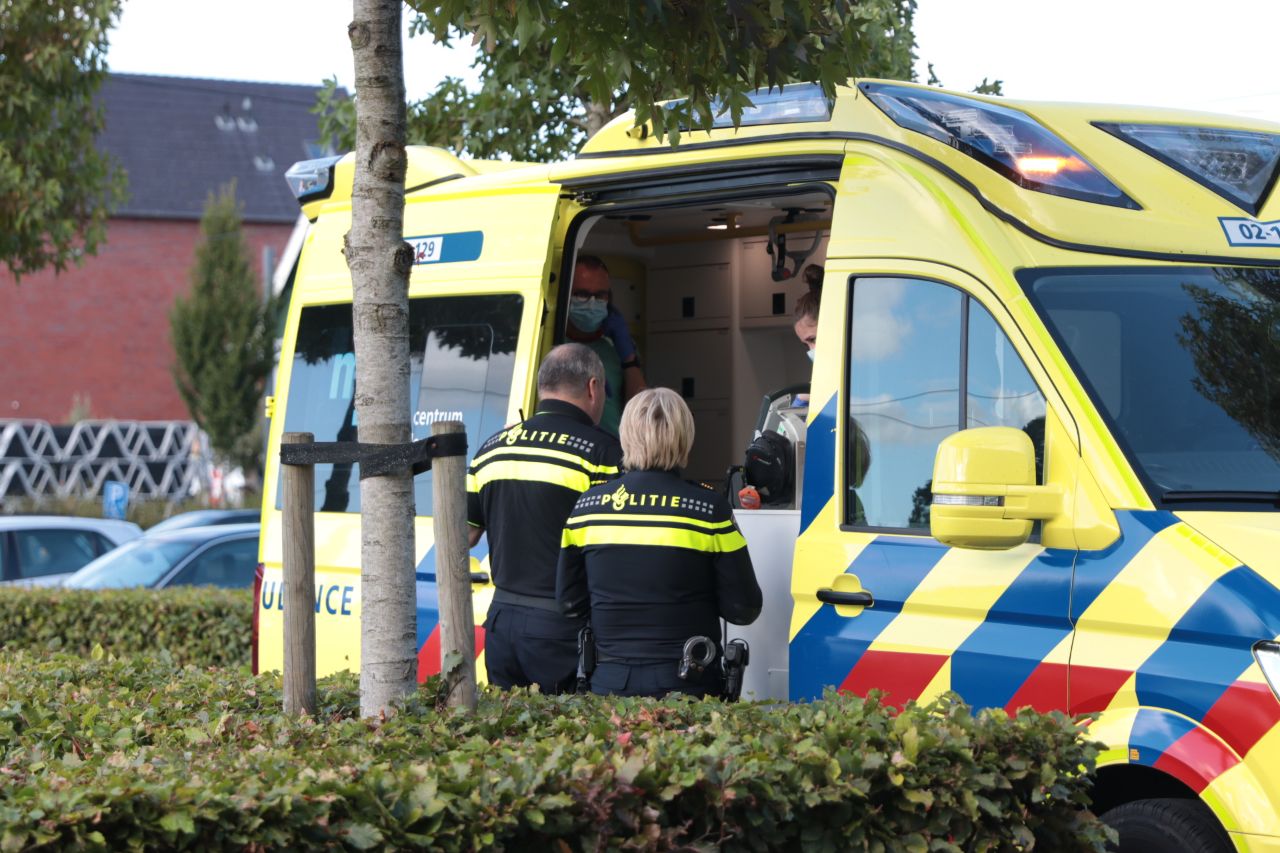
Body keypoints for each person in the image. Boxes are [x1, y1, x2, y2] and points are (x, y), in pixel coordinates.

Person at [557, 388, 762, 698]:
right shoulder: (709, 509)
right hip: (688, 682)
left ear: (625, 435)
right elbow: (744, 608)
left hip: (609, 683)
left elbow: (569, 602)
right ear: (684, 437)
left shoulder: (586, 507)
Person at [467, 343, 623, 693]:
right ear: (593, 388)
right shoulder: (604, 454)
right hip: (564, 629)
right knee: (566, 740)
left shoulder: (492, 448)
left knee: (508, 738)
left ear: (543, 387)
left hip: (501, 625)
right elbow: (621, 545)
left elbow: (464, 534)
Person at [565, 254, 646, 435]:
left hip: (613, 452)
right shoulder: (552, 343)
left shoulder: (619, 347)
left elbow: (642, 414)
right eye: (582, 294)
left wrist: (629, 361)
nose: (592, 302)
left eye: (600, 295)